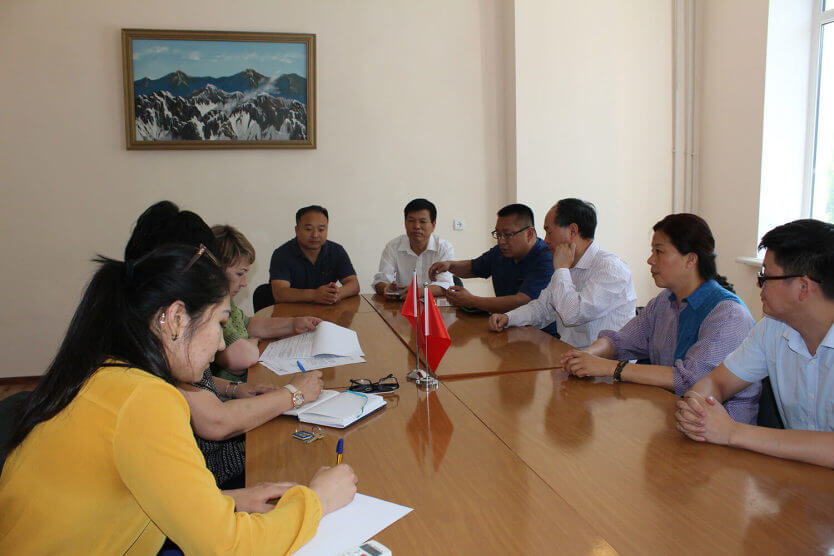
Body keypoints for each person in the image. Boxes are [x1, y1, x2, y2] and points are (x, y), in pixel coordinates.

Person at [0, 245, 357, 554]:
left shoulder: (107, 372)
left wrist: (225, 501)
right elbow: (227, 548)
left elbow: (130, 493)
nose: (221, 343)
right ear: (174, 319)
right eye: (220, 323)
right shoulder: (145, 399)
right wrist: (317, 501)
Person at [124, 201, 325, 488]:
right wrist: (294, 394)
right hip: (209, 471)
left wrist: (234, 388)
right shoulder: (149, 343)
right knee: (295, 462)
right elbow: (214, 422)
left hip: (206, 477)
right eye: (218, 323)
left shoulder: (160, 329)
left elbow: (193, 385)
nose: (221, 345)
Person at [559, 214, 761, 423]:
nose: (650, 260)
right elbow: (621, 341)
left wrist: (610, 368)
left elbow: (689, 379)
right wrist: (586, 357)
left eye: (659, 251)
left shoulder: (728, 314)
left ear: (690, 260)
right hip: (671, 418)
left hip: (718, 431)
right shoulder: (664, 302)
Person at [676, 219, 834, 468]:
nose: (758, 284)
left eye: (765, 276)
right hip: (795, 477)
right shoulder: (772, 327)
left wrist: (733, 432)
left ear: (803, 287)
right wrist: (697, 410)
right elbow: (717, 381)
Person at [489, 198, 636, 348]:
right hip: (570, 355)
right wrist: (508, 318)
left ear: (572, 230)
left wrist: (561, 269)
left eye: (549, 232)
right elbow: (542, 309)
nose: (545, 240)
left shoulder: (611, 268)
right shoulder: (566, 267)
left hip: (603, 362)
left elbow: (572, 315)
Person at [211, 224, 320, 383]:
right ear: (216, 270)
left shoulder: (226, 300)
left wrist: (293, 324)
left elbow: (248, 324)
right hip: (225, 394)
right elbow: (244, 357)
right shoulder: (211, 307)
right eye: (240, 274)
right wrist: (253, 342)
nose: (244, 283)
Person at [428, 204, 556, 332]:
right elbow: (473, 267)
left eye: (507, 235)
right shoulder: (500, 252)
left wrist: (472, 301)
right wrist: (450, 265)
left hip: (541, 334)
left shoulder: (546, 258)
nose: (501, 241)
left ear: (529, 233)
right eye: (498, 234)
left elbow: (523, 301)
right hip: (505, 326)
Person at [270, 205, 360, 304]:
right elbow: (280, 293)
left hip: (327, 311)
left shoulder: (336, 251)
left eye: (321, 229)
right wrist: (314, 295)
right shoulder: (282, 254)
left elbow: (354, 284)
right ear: (297, 230)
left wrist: (338, 293)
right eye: (308, 229)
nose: (315, 235)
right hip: (291, 311)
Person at [372, 198, 454, 298]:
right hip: (401, 304)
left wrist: (416, 292)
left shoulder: (444, 248)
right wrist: (386, 288)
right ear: (405, 223)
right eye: (411, 221)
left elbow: (445, 284)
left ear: (433, 225)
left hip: (433, 304)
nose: (416, 226)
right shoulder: (393, 247)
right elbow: (381, 280)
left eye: (422, 221)